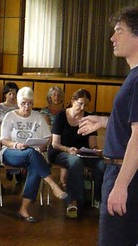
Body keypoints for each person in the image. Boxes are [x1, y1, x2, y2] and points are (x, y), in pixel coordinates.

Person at [78, 7, 138, 245]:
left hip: (125, 174)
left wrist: (121, 186)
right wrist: (105, 122)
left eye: (119, 31)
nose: (113, 38)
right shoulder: (133, 77)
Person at [0, 87, 68, 223]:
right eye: (24, 103)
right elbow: (4, 140)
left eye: (30, 103)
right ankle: (53, 185)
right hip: (10, 152)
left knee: (35, 165)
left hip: (32, 155)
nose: (27, 106)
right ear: (18, 103)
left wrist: (42, 144)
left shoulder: (37, 116)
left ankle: (24, 208)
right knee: (32, 154)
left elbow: (48, 138)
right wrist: (16, 145)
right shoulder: (10, 116)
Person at [48, 89, 104, 219]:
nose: (82, 107)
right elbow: (55, 143)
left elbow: (92, 144)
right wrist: (68, 149)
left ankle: (98, 198)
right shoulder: (61, 116)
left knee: (102, 164)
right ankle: (74, 201)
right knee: (75, 161)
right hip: (61, 151)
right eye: (80, 103)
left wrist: (95, 150)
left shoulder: (89, 117)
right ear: (72, 101)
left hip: (81, 153)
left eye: (85, 104)